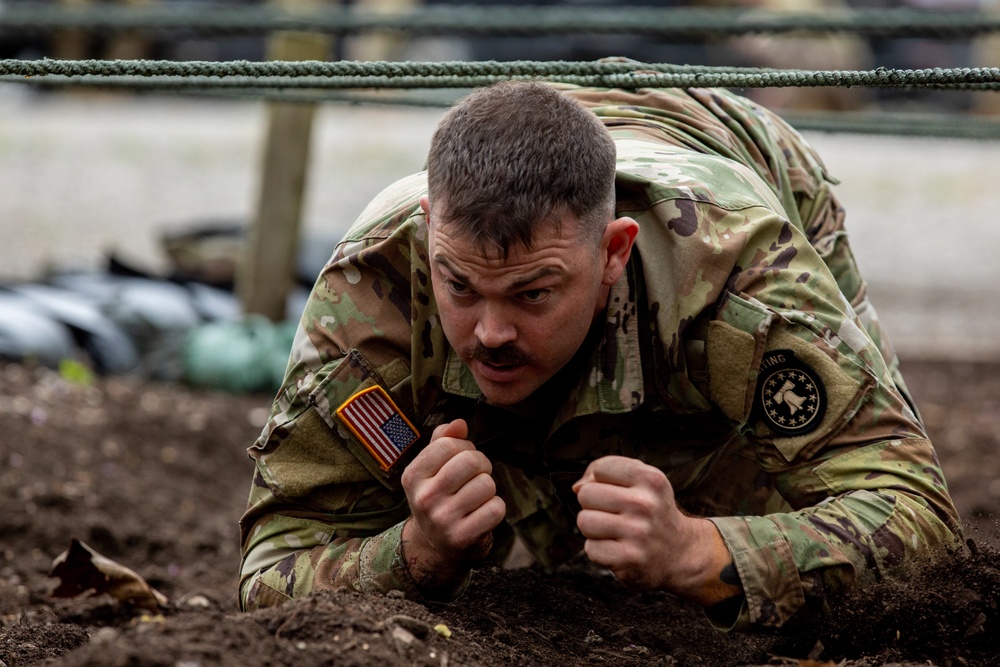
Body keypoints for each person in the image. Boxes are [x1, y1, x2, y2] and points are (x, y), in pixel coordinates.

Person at [238, 81, 962, 630]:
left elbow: (916, 518)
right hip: (570, 158)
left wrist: (700, 551)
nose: (489, 331)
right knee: (575, 566)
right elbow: (270, 569)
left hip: (743, 159)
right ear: (429, 234)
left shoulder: (743, 277)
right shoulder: (373, 293)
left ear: (614, 253)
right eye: (460, 285)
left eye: (532, 294)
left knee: (767, 586)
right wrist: (416, 551)